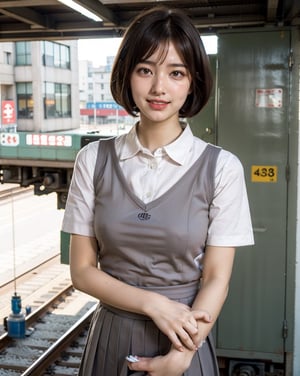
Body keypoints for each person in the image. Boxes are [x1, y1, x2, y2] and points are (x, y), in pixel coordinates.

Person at [62, 6, 254, 376]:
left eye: (176, 72)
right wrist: (155, 304)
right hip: (110, 340)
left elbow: (217, 278)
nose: (158, 88)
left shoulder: (222, 168)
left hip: (186, 341)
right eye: (145, 70)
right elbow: (82, 271)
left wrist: (183, 356)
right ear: (127, 75)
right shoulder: (93, 160)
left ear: (193, 81)